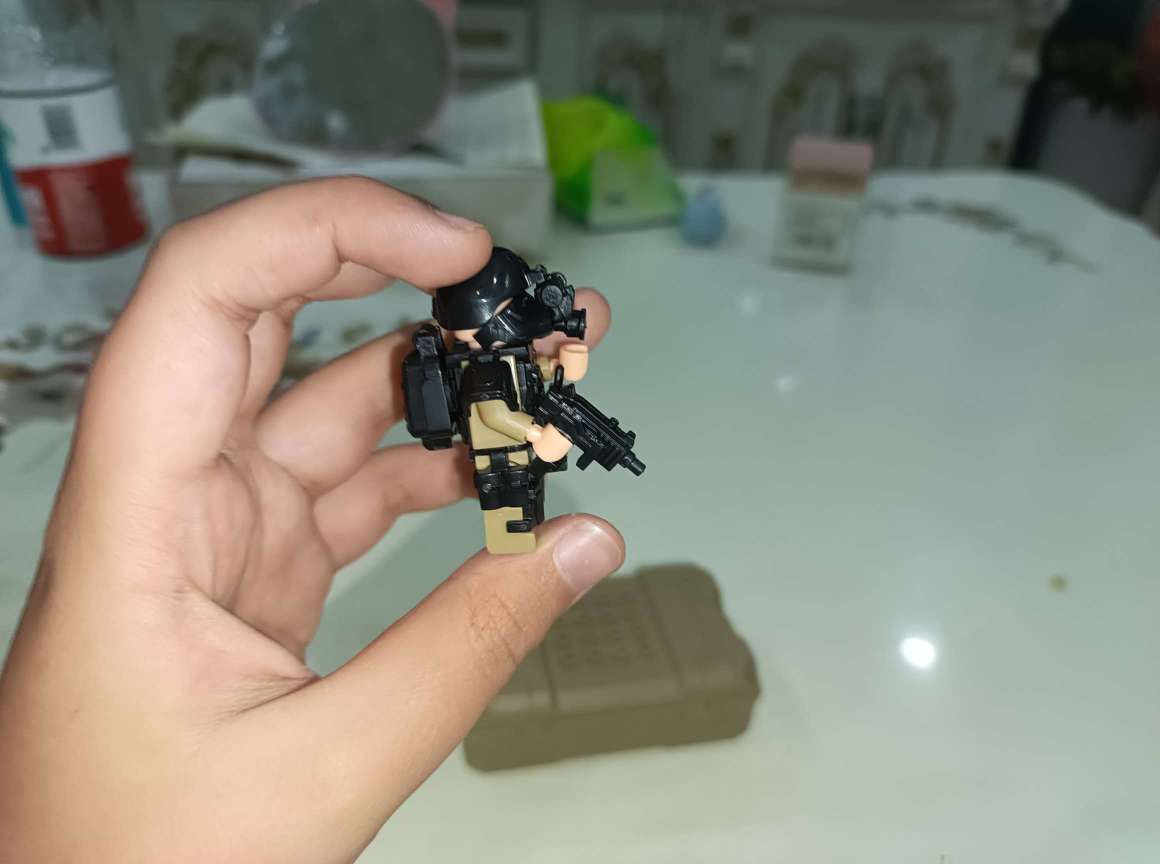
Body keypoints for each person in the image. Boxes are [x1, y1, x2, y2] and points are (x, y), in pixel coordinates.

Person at [0, 178, 625, 861]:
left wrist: (565, 371)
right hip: (501, 446)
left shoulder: (510, 354)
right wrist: (540, 435)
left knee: (523, 490)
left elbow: (551, 374)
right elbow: (493, 415)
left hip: (517, 440)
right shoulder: (478, 370)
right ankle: (517, 540)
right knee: (511, 510)